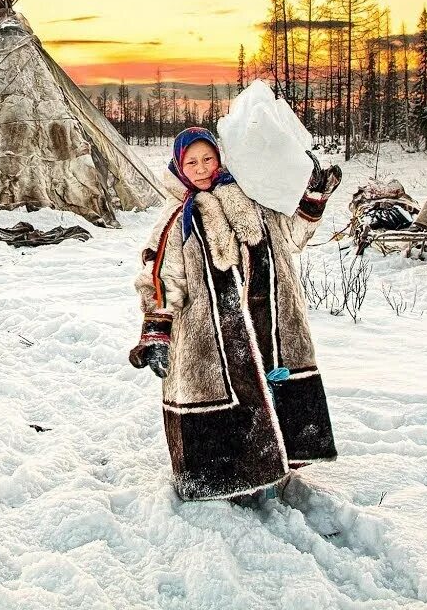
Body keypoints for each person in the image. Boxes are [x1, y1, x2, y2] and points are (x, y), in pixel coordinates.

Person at [130, 127, 343, 503]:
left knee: (268, 387)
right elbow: (160, 278)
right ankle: (226, 484)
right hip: (207, 334)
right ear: (179, 166)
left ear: (220, 158)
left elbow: (292, 237)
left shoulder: (252, 200)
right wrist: (155, 332)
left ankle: (276, 470)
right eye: (191, 162)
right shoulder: (177, 218)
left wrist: (312, 197)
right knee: (225, 396)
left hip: (265, 322)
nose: (201, 168)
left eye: (208, 159)